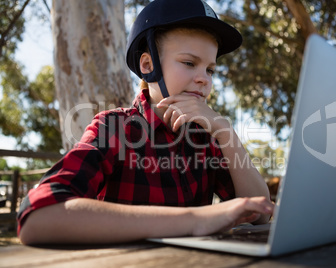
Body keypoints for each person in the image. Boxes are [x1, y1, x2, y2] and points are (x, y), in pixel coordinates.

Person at [18, 0, 274, 245]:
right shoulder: (114, 128)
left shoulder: (206, 139)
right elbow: (38, 216)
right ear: (148, 65)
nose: (204, 79)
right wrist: (194, 221)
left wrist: (225, 131)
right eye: (189, 63)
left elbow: (260, 212)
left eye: (210, 70)